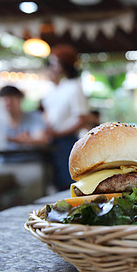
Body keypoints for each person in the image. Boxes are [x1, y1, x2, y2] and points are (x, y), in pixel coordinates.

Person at [42, 44, 89, 191]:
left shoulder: (74, 87)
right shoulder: (60, 86)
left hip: (68, 141)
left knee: (68, 181)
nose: (52, 66)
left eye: (55, 62)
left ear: (63, 65)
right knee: (56, 181)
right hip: (54, 141)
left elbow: (83, 119)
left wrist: (59, 133)